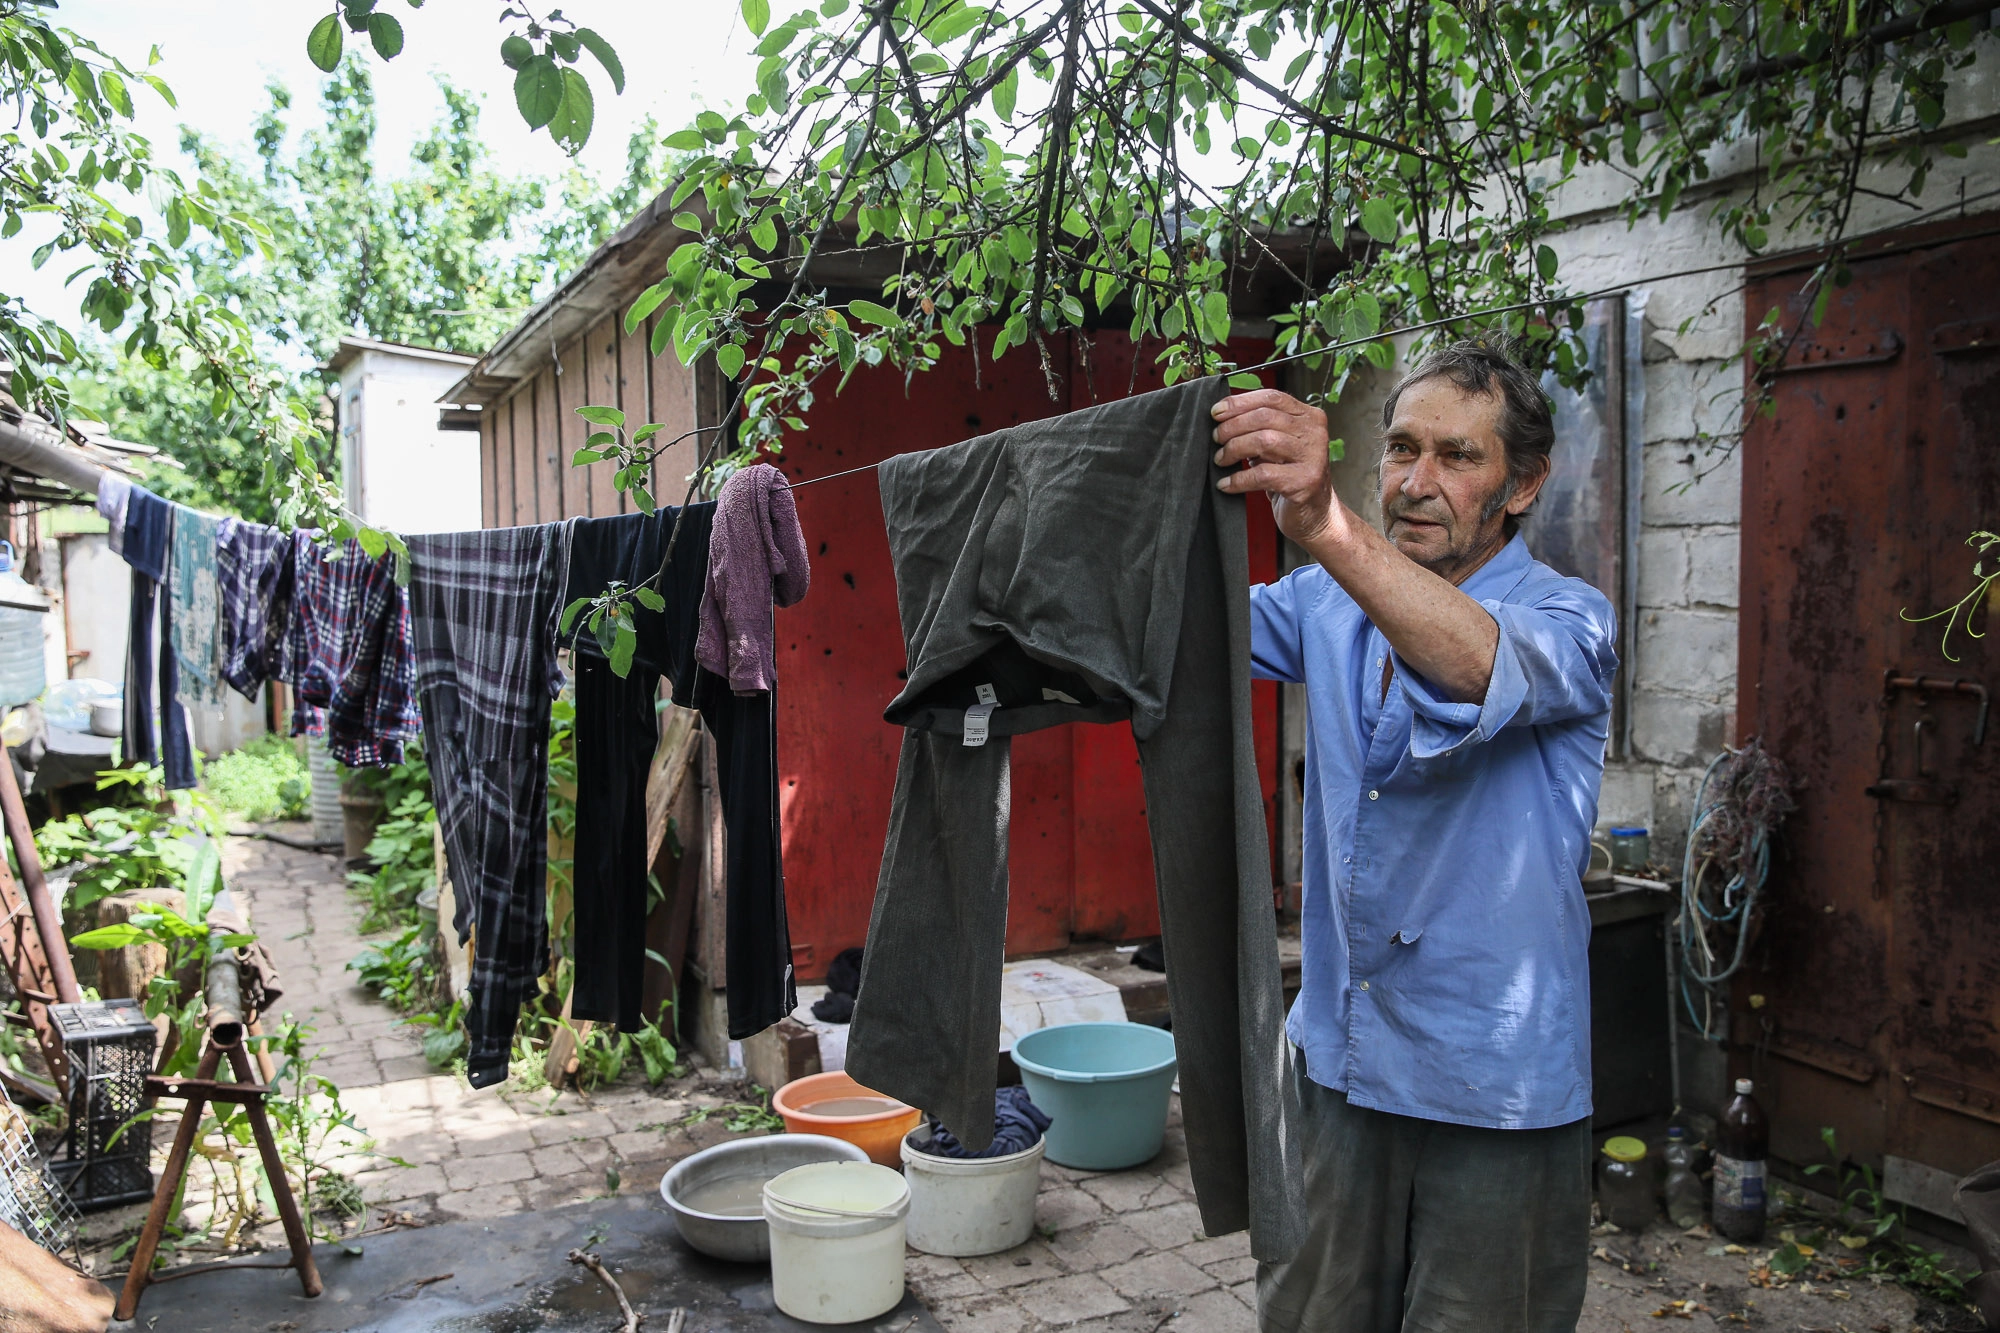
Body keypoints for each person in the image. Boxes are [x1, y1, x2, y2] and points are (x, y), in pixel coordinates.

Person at [1211, 338, 1619, 1333]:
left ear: (1523, 485)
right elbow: (1176, 633)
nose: (1416, 481)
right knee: (1311, 1317)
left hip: (1492, 1090)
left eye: (1457, 456)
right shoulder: (1323, 601)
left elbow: (1472, 665)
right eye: (1399, 450)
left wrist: (1323, 527)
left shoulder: (1572, 618)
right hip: (1340, 1070)